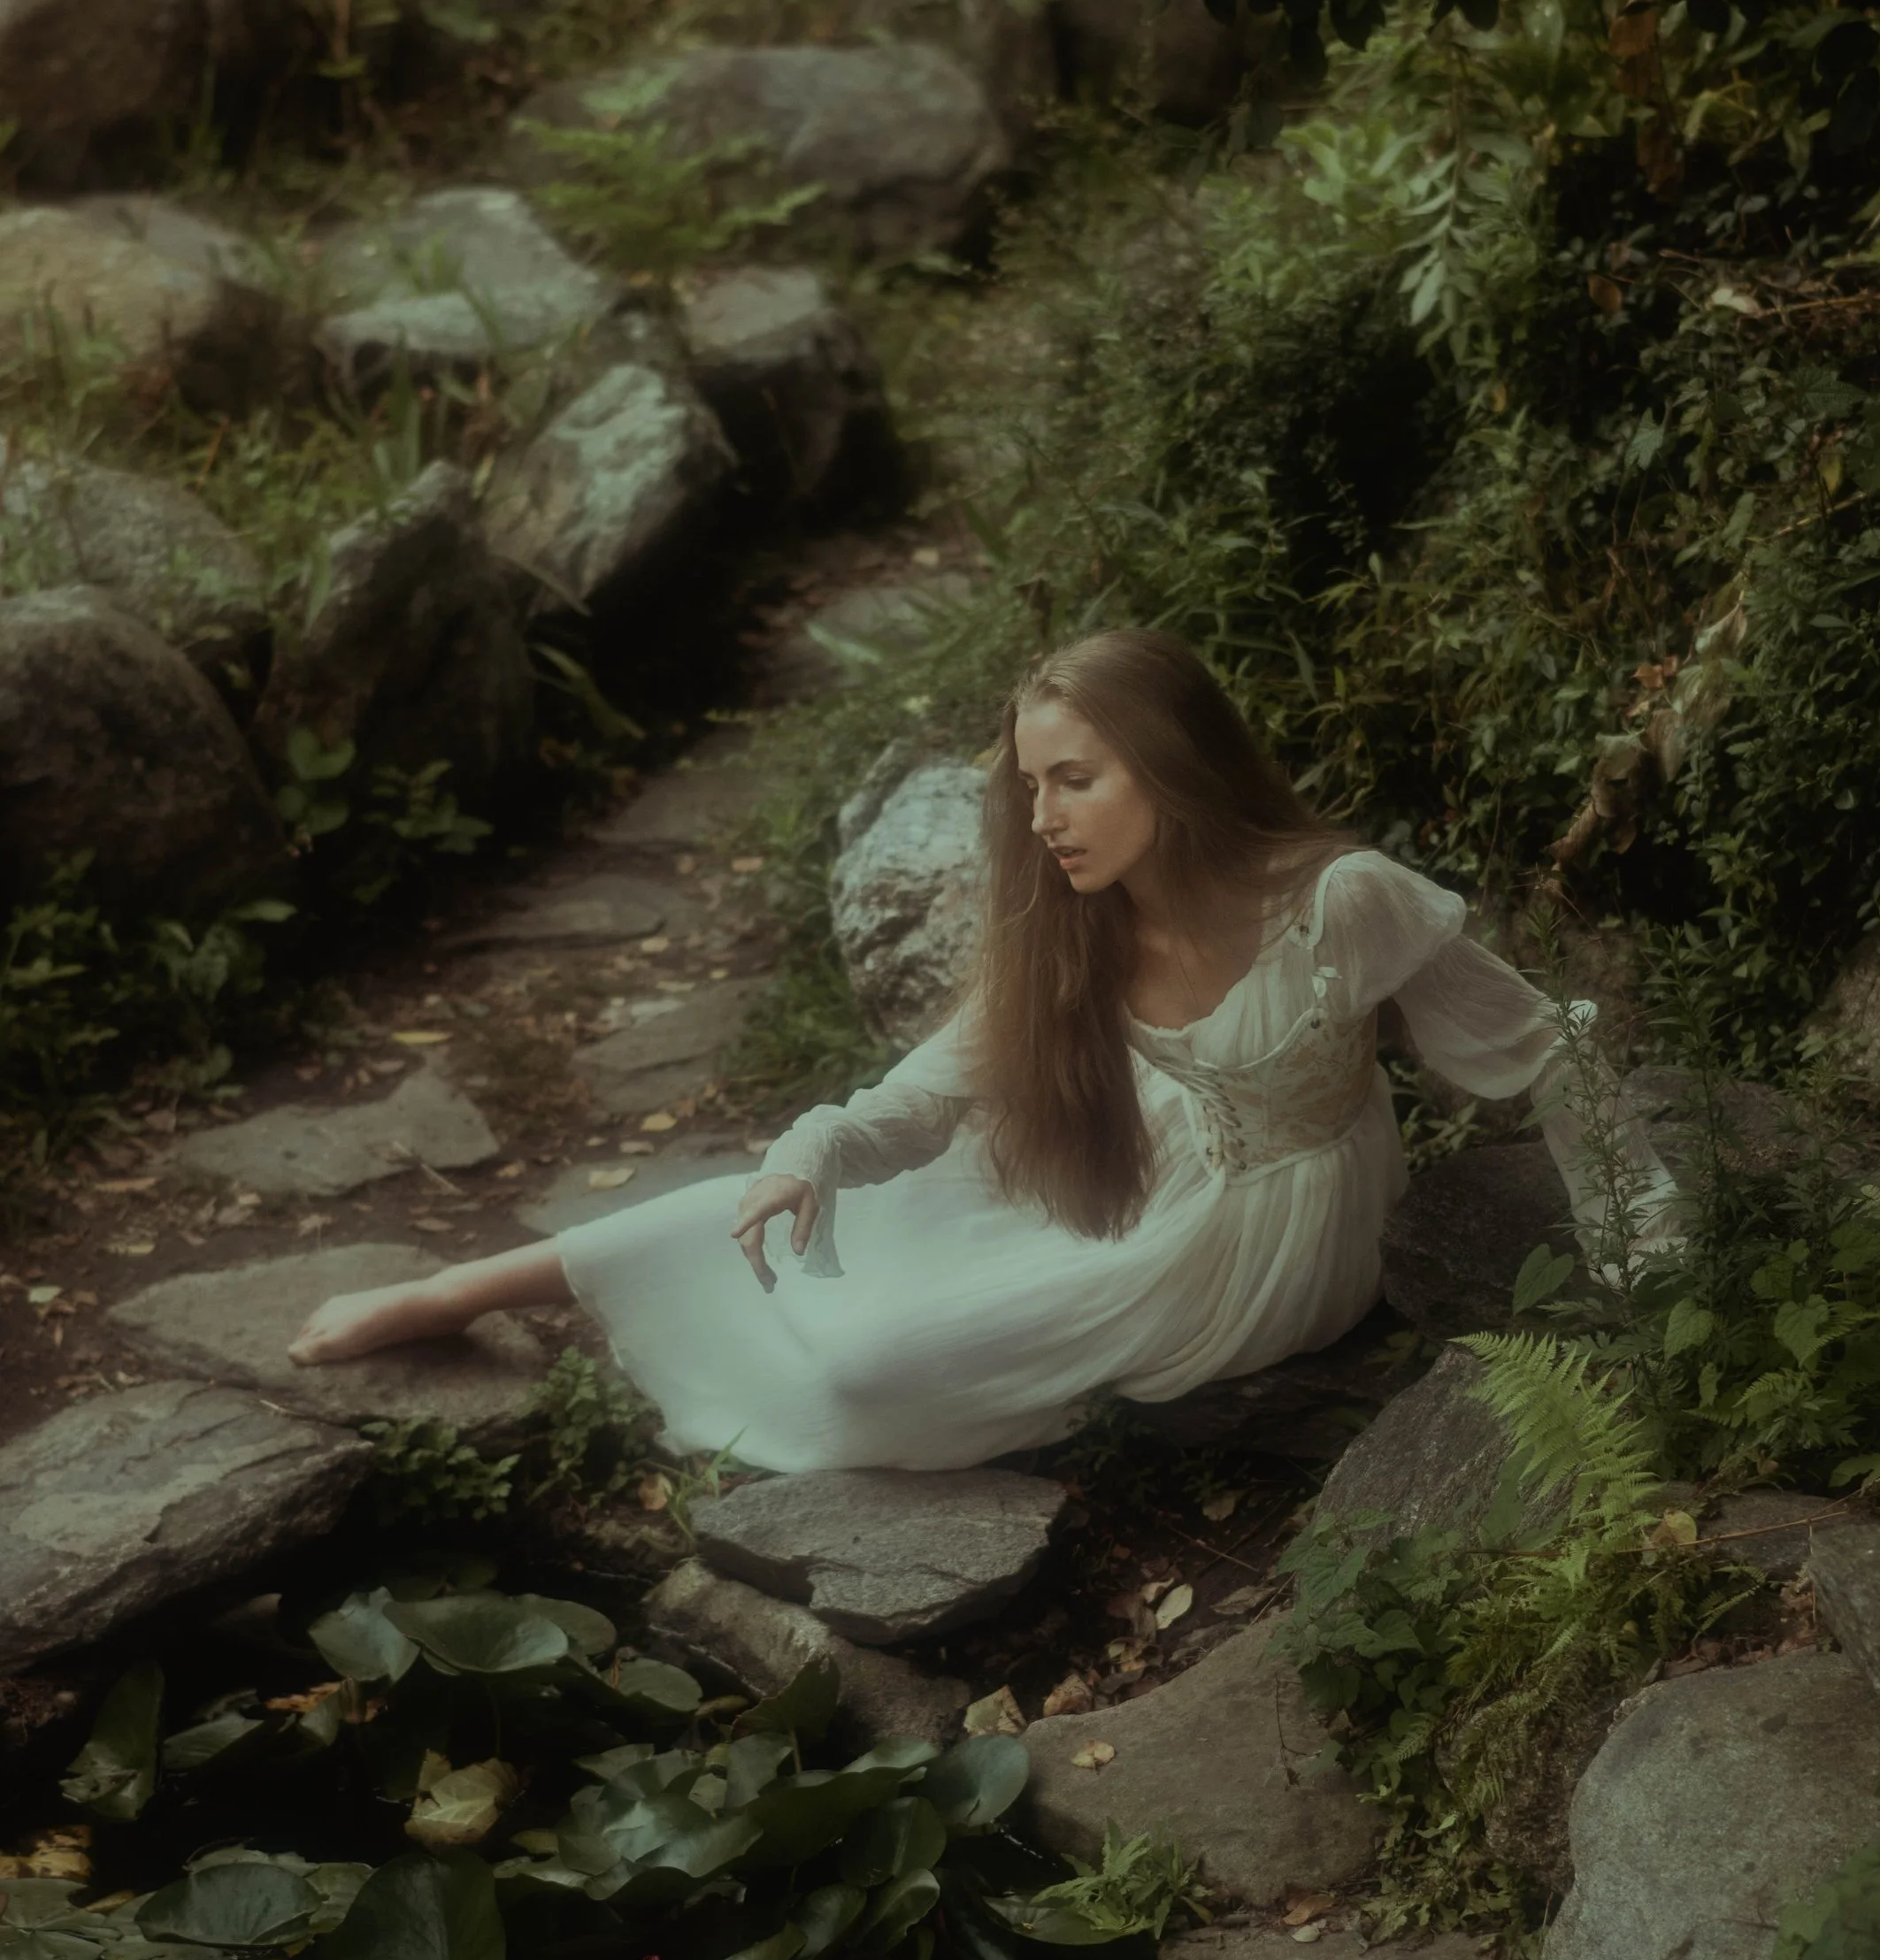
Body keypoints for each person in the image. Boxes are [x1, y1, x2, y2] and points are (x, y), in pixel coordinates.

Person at [288, 629, 1673, 1468]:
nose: (1046, 816)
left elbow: (1541, 1051)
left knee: (871, 1370)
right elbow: (912, 1101)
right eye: (1032, 785)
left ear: (1174, 766)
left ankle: (622, 1314)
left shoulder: (1339, 901)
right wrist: (809, 1155)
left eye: (1077, 779)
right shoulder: (1078, 930)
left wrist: (1645, 1237)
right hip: (1155, 1161)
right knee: (848, 1203)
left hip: (1278, 1236)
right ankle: (464, 1288)